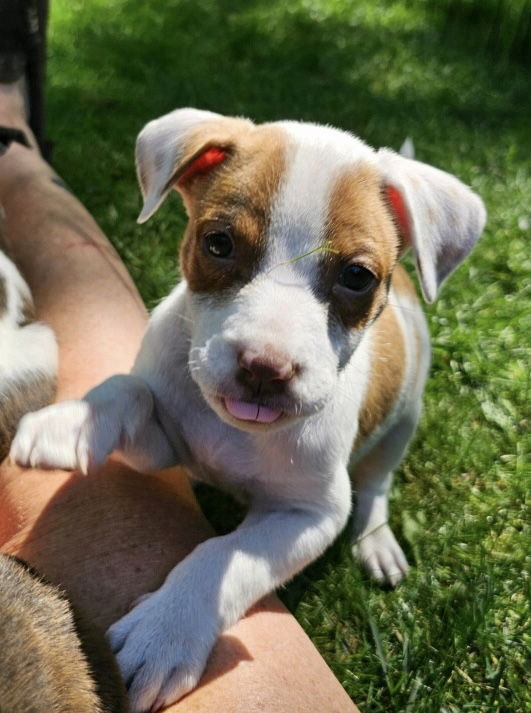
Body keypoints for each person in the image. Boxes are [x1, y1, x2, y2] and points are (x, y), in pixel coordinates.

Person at [0, 3, 359, 711]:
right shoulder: (184, 345)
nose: (268, 352)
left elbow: (318, 507)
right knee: (130, 381)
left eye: (351, 279)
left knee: (363, 480)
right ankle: (17, 158)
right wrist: (114, 403)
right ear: (182, 176)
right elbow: (160, 432)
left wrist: (205, 587)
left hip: (311, 470)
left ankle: (12, 159)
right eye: (223, 245)